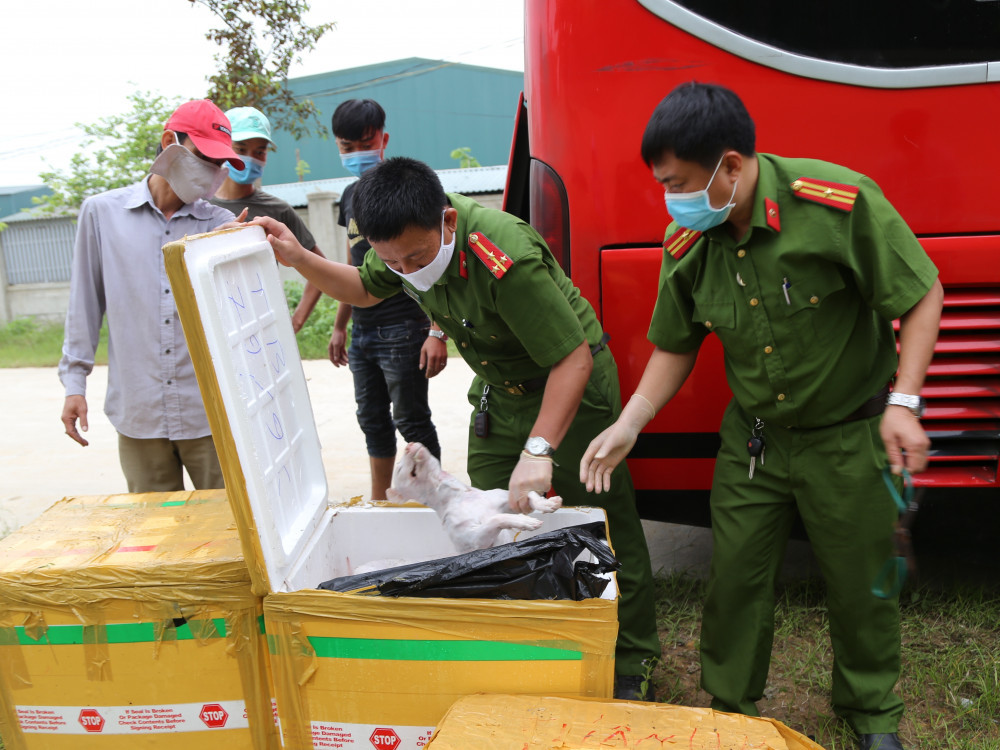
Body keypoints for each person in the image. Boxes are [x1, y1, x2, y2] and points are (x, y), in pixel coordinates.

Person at [580, 82, 942, 749]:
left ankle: (871, 712)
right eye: (663, 185)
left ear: (731, 166)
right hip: (755, 441)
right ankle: (731, 708)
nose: (671, 200)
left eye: (678, 183)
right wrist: (631, 420)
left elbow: (922, 294)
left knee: (861, 583)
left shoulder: (835, 204)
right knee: (736, 580)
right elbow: (676, 343)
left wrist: (905, 403)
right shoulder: (689, 242)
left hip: (849, 434)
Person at [251, 156, 662, 700]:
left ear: (447, 221)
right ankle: (534, 648)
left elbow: (573, 359)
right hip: (500, 393)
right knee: (490, 533)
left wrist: (539, 449)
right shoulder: (402, 245)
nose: (406, 269)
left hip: (569, 391)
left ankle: (630, 659)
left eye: (417, 257)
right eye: (392, 261)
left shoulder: (503, 255)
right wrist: (300, 257)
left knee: (598, 527)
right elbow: (365, 289)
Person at [60, 99, 245, 493]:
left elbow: (240, 318)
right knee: (155, 527)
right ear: (169, 142)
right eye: (203, 157)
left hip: (209, 413)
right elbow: (84, 305)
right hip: (138, 411)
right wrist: (75, 384)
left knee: (225, 522)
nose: (212, 171)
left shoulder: (222, 226)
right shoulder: (101, 214)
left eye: (218, 163)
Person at [327, 99, 444, 501]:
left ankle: (433, 499)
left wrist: (436, 330)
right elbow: (353, 265)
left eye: (366, 143)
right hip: (363, 330)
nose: (357, 153)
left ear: (383, 138)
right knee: (372, 420)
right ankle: (381, 502)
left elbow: (438, 265)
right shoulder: (349, 196)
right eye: (347, 146)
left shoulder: (407, 191)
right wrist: (340, 325)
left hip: (403, 326)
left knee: (411, 421)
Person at [210, 105, 327, 333]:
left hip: (264, 330)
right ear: (224, 148)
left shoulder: (277, 210)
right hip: (216, 329)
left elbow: (319, 268)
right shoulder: (201, 208)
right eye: (241, 149)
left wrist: (295, 322)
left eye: (259, 152)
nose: (250, 158)